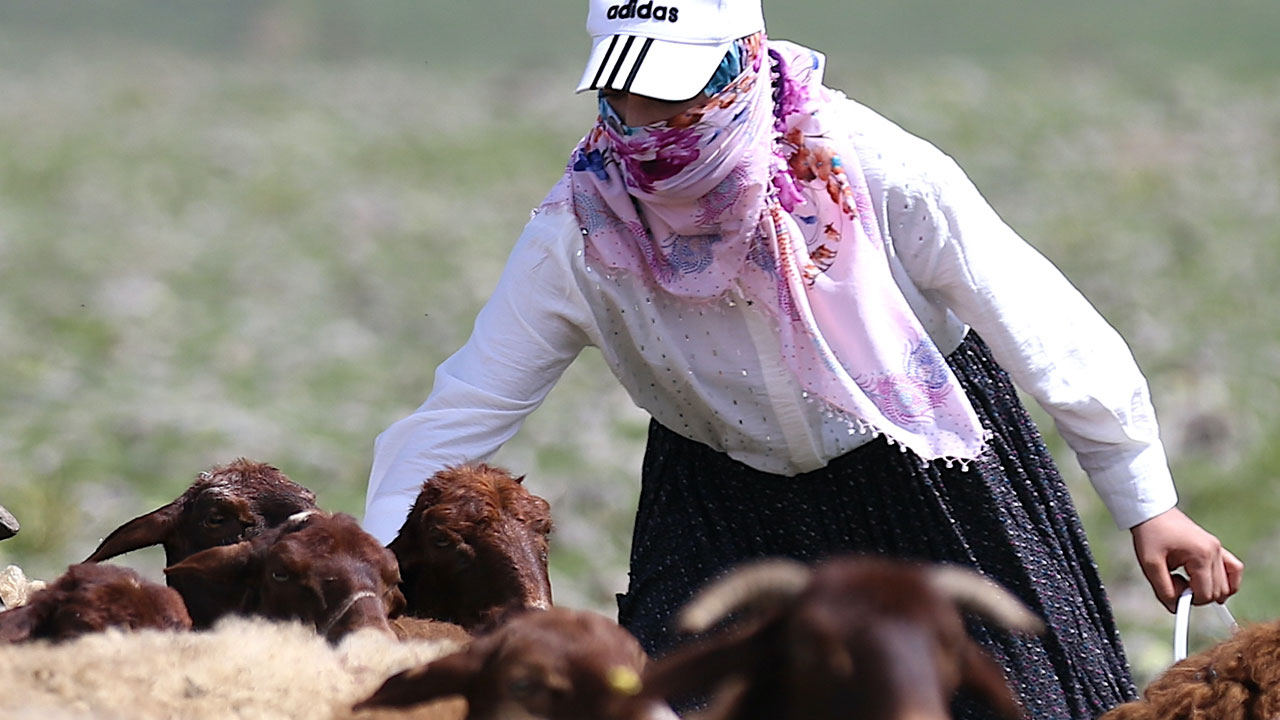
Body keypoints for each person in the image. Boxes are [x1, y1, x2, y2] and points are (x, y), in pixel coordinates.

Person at [363, 1, 1244, 717]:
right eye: (626, 96)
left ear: (742, 63)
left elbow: (1042, 323)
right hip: (720, 496)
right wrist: (373, 583)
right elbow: (466, 405)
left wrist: (1147, 501)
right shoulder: (581, 232)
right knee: (685, 707)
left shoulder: (876, 170)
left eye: (676, 95)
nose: (649, 127)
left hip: (929, 474)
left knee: (1015, 705)